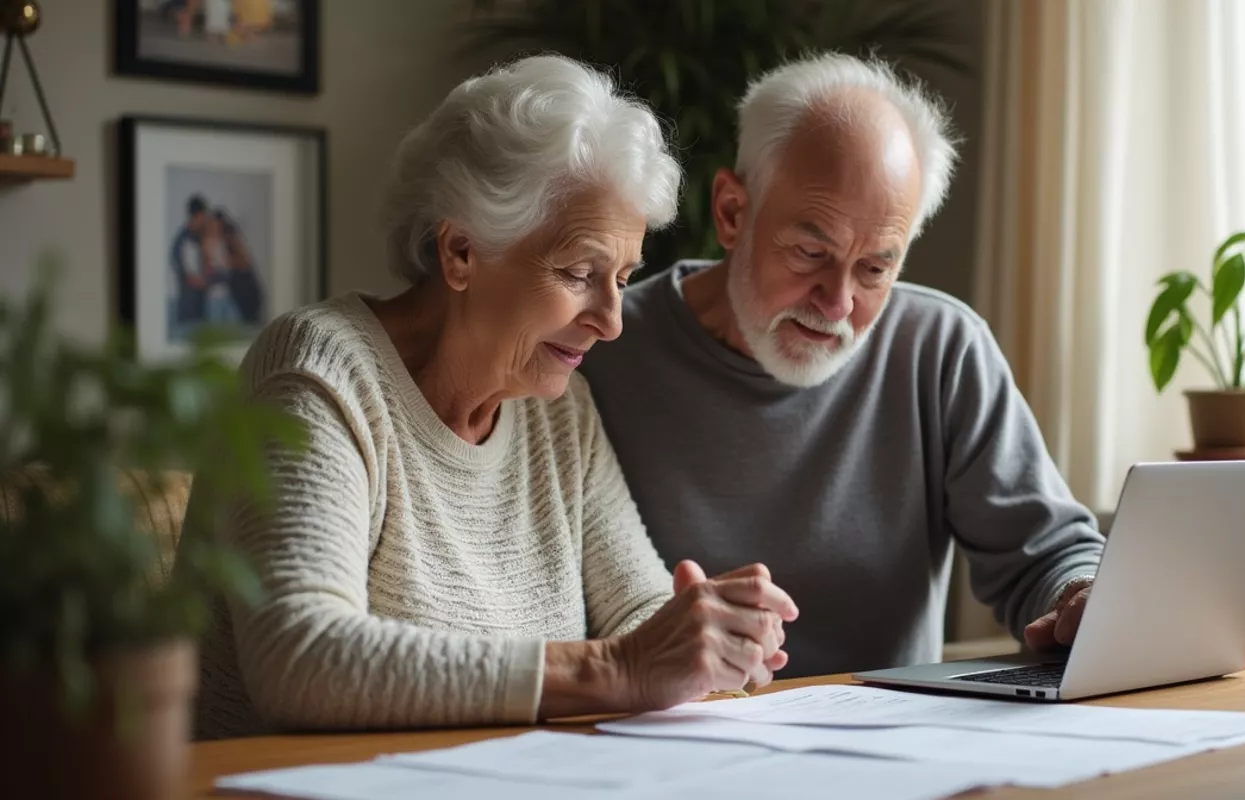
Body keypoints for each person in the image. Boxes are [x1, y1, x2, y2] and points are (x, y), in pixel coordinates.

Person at [581, 54, 1245, 677]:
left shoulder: (939, 347)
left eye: (876, 267)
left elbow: (1048, 552)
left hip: (893, 753)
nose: (838, 303)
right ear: (733, 212)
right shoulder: (598, 345)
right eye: (810, 254)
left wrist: (1086, 599)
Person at [184, 54, 796, 740]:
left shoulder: (558, 410)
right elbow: (301, 658)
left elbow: (640, 613)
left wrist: (703, 640)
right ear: (461, 253)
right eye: (578, 272)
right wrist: (611, 669)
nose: (611, 320)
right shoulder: (321, 370)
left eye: (621, 278)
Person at [170, 194, 211, 328]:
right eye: (203, 216)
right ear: (197, 215)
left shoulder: (199, 237)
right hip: (189, 306)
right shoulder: (184, 240)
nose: (205, 220)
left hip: (200, 304)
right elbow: (186, 273)